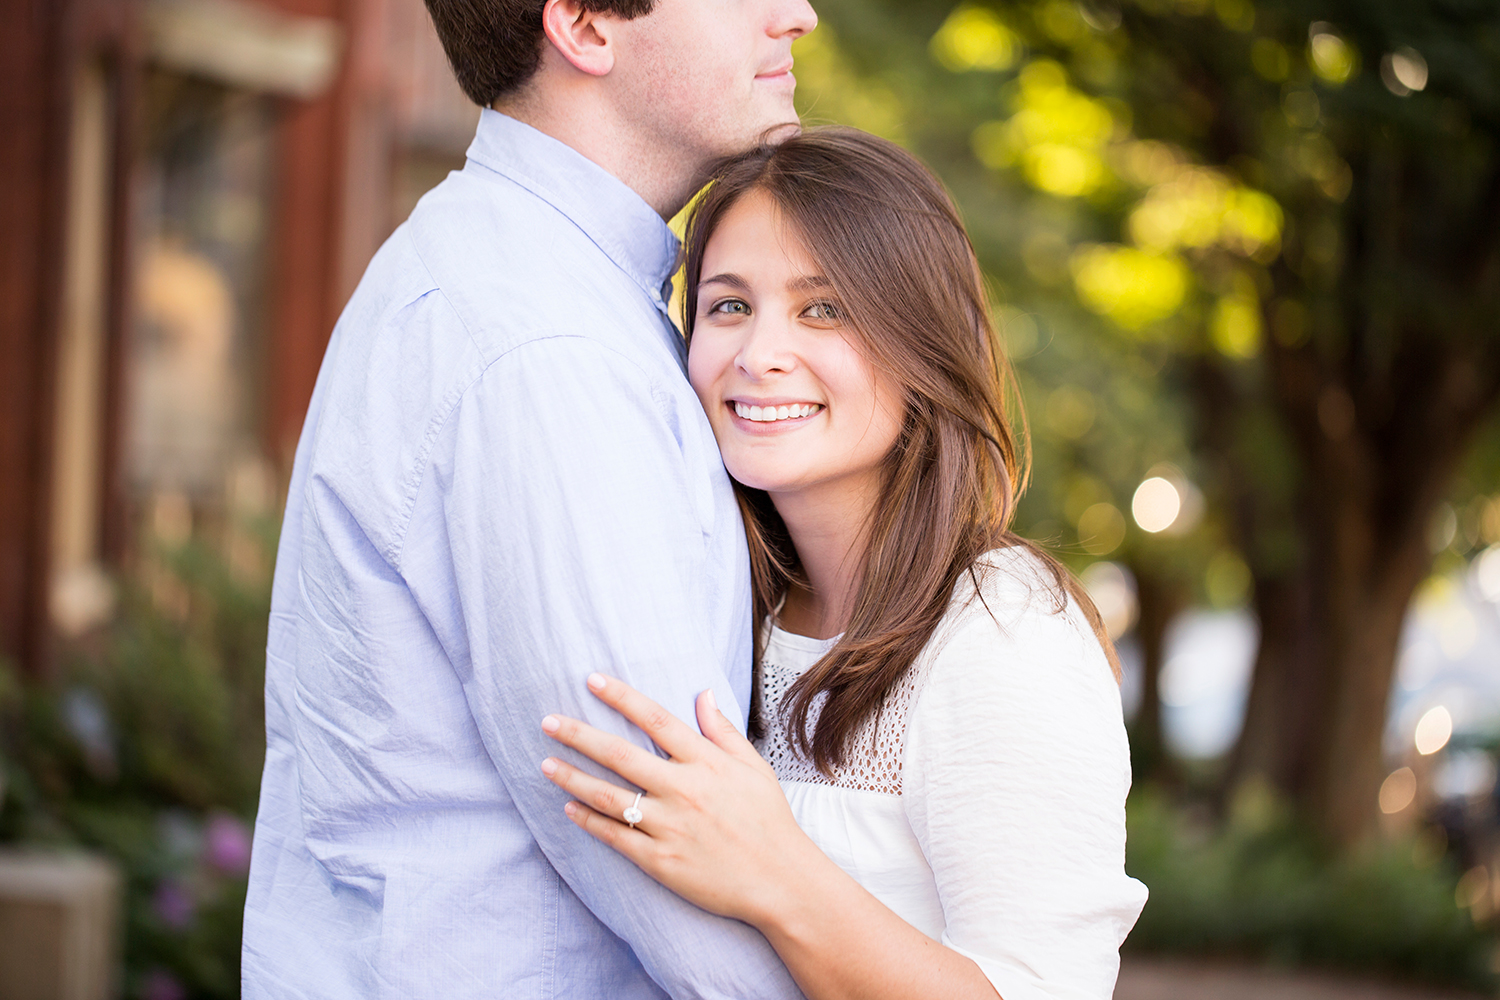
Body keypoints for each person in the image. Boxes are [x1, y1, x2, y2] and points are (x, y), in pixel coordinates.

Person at [242, 0, 819, 997]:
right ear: (586, 27)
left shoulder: (523, 283)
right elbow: (664, 831)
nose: (798, 14)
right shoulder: (544, 346)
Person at [537, 128, 1149, 1000]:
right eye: (728, 306)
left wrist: (777, 871)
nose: (759, 355)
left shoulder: (1002, 631)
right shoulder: (720, 605)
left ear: (920, 341)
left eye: (823, 309)